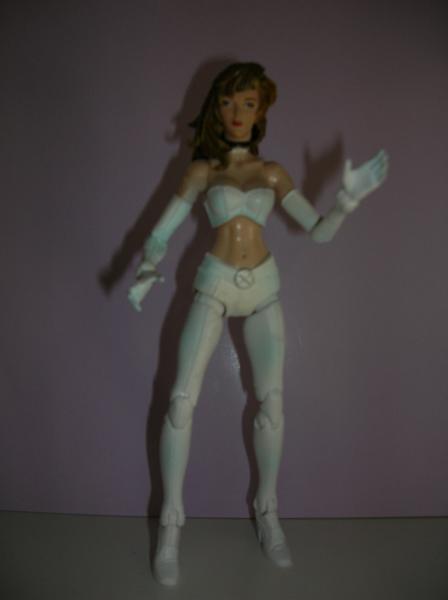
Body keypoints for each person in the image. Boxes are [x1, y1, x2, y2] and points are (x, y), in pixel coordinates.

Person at [128, 62, 389, 586]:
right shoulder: (203, 172)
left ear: (261, 110)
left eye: (248, 103)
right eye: (228, 102)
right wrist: (148, 267)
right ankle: (171, 526)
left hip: (264, 287)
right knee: (180, 402)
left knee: (271, 404)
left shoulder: (272, 173)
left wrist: (347, 200)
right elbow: (160, 233)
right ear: (215, 109)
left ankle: (267, 512)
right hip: (215, 283)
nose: (237, 113)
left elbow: (318, 231)